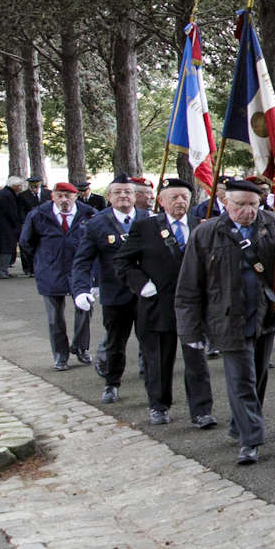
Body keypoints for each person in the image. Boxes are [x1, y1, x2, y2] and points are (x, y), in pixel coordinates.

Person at [175, 177, 275, 464]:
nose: (247, 211)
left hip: (264, 313)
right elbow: (188, 286)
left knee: (258, 375)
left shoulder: (271, 224)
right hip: (226, 317)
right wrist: (190, 330)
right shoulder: (207, 233)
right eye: (240, 205)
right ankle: (251, 439)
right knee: (241, 379)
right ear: (225, 202)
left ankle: (240, 424)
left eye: (253, 204)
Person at [114, 178, 216, 427]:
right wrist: (142, 285)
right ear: (161, 201)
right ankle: (159, 405)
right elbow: (122, 262)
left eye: (184, 197)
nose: (180, 201)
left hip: (192, 306)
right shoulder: (145, 227)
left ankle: (201, 411)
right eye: (174, 197)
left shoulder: (201, 226)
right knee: (159, 359)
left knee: (196, 359)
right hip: (158, 304)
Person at [70, 174, 146, 404]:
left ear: (135, 196)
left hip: (146, 293)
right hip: (115, 294)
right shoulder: (96, 224)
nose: (123, 196)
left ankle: (155, 386)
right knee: (115, 343)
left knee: (152, 342)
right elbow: (82, 261)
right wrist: (81, 290)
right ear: (109, 197)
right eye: (118, 192)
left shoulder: (149, 220)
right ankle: (112, 383)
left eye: (128, 192)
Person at [21, 181, 92, 370]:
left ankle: (81, 347)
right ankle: (60, 355)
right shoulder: (38, 215)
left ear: (76, 196)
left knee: (85, 309)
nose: (64, 200)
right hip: (50, 270)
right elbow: (26, 242)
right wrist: (42, 261)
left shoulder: (89, 213)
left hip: (80, 270)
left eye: (68, 196)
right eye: (59, 195)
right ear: (52, 196)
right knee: (55, 317)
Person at [0, 177, 28, 277]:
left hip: (3, 227)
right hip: (4, 229)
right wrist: (17, 224)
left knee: (6, 249)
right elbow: (11, 213)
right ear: (14, 186)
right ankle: (0, 271)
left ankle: (3, 270)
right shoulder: (7, 195)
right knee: (5, 250)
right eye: (19, 186)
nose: (20, 188)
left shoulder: (6, 194)